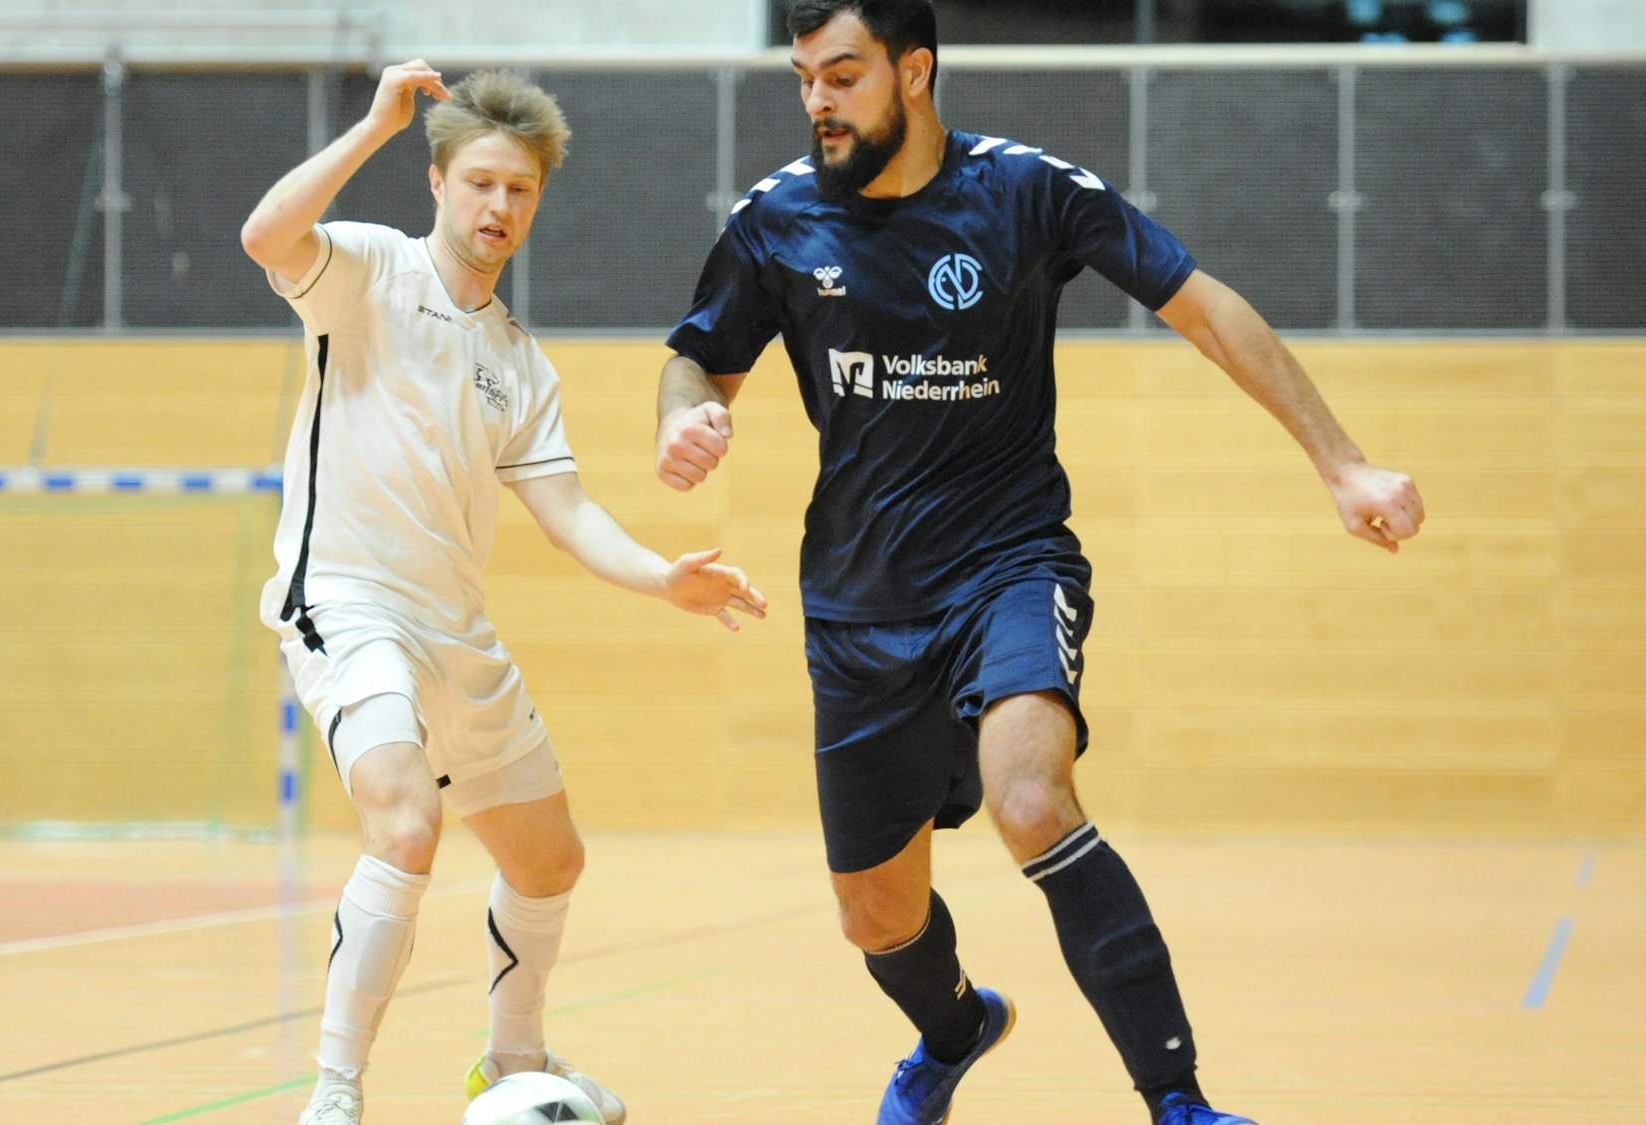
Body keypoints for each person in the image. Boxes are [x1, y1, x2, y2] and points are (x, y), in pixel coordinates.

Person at [652, 2, 1424, 1123]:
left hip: (1006, 565)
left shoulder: (1026, 190)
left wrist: (1340, 465)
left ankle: (1179, 1104)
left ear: (912, 71)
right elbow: (696, 359)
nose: (817, 101)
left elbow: (1205, 311)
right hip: (859, 607)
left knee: (1029, 801)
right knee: (874, 916)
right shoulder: (774, 219)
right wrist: (686, 418)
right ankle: (956, 1028)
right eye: (803, 77)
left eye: (842, 74)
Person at [239, 62, 767, 1125]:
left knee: (549, 856)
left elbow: (567, 514)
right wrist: (376, 125)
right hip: (345, 601)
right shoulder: (367, 271)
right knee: (402, 826)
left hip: (453, 628)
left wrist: (663, 576)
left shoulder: (517, 363)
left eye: (519, 190)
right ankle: (333, 1097)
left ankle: (511, 1063)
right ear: (437, 182)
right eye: (479, 183)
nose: (499, 208)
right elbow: (264, 237)